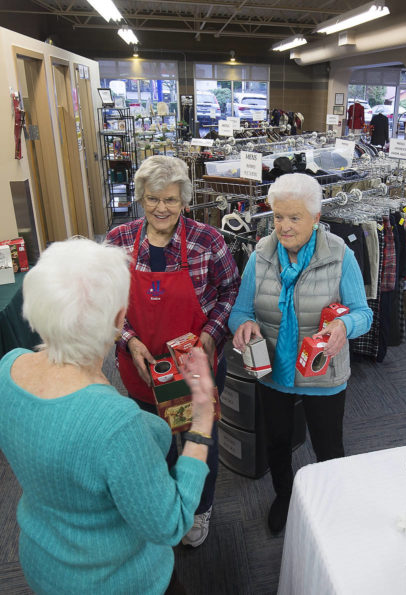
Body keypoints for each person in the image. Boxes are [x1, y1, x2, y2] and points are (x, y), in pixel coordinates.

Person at [0, 238, 217, 594]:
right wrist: (201, 423)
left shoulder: (7, 369)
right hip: (119, 581)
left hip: (44, 566)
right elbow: (170, 524)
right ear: (118, 319)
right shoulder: (118, 424)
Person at [105, 155, 240, 547]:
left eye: (170, 200)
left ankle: (200, 509)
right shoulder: (117, 242)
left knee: (200, 442)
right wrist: (128, 339)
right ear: (140, 199)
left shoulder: (207, 240)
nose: (161, 208)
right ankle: (162, 507)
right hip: (142, 369)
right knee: (154, 443)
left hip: (197, 365)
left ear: (184, 200)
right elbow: (106, 301)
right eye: (152, 199)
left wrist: (213, 334)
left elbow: (231, 290)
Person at [229, 174, 373, 534]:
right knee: (277, 441)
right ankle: (284, 495)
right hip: (272, 369)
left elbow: (364, 313)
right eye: (278, 217)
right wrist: (243, 326)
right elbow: (241, 310)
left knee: (328, 446)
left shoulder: (340, 254)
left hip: (323, 374)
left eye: (294, 218)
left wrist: (345, 327)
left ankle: (333, 504)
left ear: (315, 217)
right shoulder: (261, 253)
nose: (284, 226)